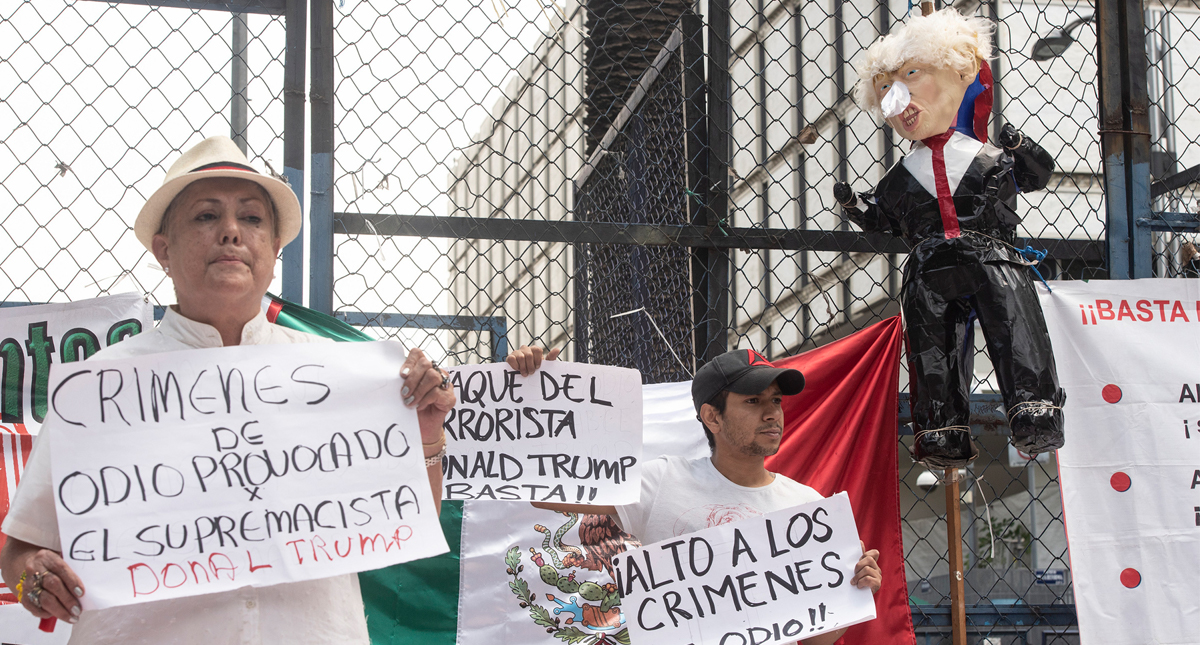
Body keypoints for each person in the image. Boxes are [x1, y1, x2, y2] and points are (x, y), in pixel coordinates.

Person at [0, 136, 455, 644]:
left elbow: (408, 521)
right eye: (205, 216)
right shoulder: (98, 391)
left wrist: (425, 434)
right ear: (164, 250)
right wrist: (32, 577)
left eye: (253, 219)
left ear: (276, 249)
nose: (232, 233)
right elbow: (20, 548)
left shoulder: (337, 378)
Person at [511, 346, 883, 645]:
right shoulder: (662, 481)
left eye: (776, 401)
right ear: (713, 417)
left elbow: (818, 640)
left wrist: (856, 589)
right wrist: (541, 394)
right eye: (753, 402)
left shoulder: (808, 508)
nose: (772, 414)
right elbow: (544, 492)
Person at [833, 8, 1065, 468]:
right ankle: (941, 429)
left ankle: (1033, 411)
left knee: (1014, 328)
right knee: (931, 348)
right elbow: (886, 218)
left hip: (989, 257)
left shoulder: (988, 154)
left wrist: (1020, 147)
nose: (895, 98)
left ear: (962, 73)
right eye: (885, 88)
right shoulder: (902, 175)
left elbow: (1037, 174)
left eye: (911, 75)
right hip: (931, 268)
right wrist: (859, 208)